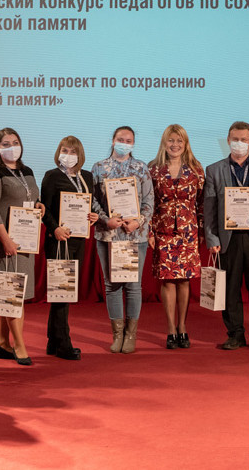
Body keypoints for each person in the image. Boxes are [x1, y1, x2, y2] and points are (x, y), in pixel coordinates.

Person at [204, 121, 249, 351]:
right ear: (228, 140)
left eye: (243, 139)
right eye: (235, 139)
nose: (239, 143)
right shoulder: (214, 170)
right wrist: (212, 239)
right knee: (230, 288)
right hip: (228, 238)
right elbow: (209, 208)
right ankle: (235, 334)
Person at [0, 128, 44, 365]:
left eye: (15, 142)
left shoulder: (26, 171)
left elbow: (31, 198)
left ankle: (1, 341)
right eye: (5, 144)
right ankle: (20, 345)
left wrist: (39, 206)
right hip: (4, 243)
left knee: (9, 293)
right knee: (11, 294)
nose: (11, 147)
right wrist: (6, 240)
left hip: (25, 241)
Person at [91, 126, 155, 354]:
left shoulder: (141, 168)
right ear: (112, 140)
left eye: (128, 141)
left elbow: (149, 201)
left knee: (133, 286)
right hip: (108, 235)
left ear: (133, 144)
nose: (124, 143)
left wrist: (138, 221)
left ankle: (130, 334)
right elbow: (92, 200)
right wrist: (106, 220)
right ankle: (117, 334)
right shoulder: (99, 168)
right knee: (112, 285)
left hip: (134, 235)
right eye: (120, 139)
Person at [40, 136, 98, 360]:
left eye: (73, 151)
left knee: (65, 291)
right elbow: (44, 208)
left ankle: (53, 341)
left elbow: (89, 205)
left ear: (80, 154)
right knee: (61, 292)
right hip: (58, 240)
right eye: (65, 150)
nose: (69, 155)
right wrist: (54, 228)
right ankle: (64, 343)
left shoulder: (87, 177)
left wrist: (93, 216)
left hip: (78, 240)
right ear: (59, 152)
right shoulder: (52, 176)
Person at [148, 124, 206, 349]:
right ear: (164, 142)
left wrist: (202, 231)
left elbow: (202, 203)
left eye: (179, 141)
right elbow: (148, 203)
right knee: (167, 281)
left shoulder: (196, 169)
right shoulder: (153, 169)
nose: (175, 145)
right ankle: (171, 329)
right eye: (171, 140)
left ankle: (183, 327)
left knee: (184, 280)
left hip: (188, 232)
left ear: (185, 144)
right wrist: (150, 231)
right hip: (162, 232)